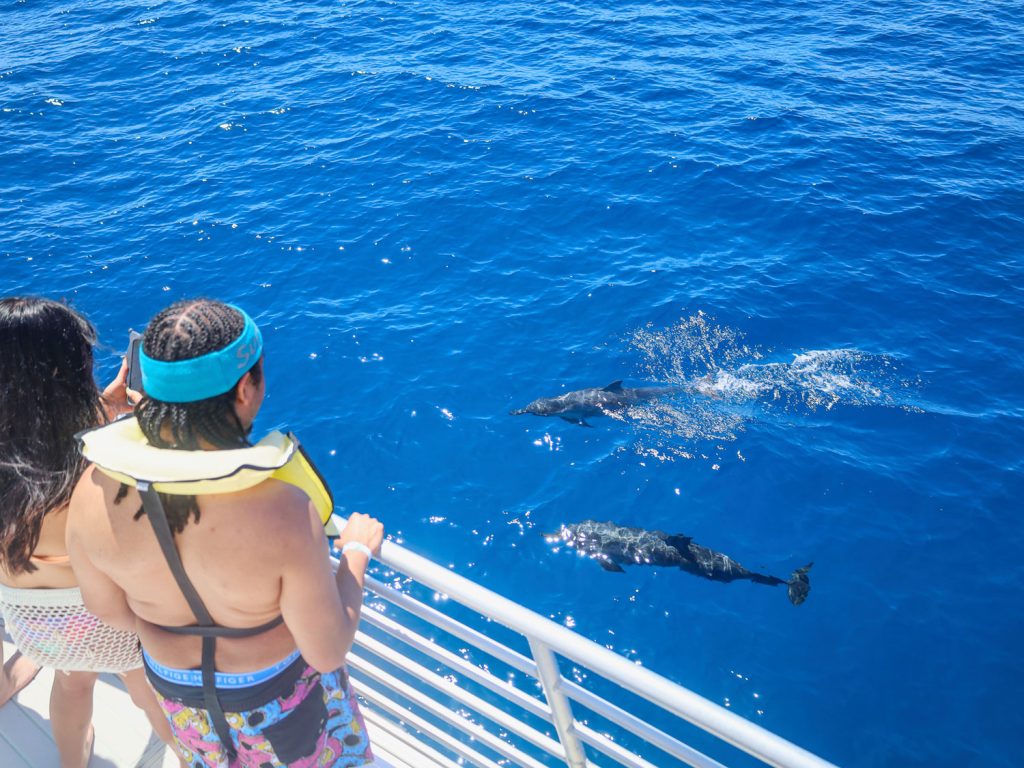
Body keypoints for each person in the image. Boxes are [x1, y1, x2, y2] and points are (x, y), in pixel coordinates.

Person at [67, 299, 382, 767]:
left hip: (176, 692)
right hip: (280, 700)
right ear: (244, 389)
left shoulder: (89, 493)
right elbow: (327, 648)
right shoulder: (283, 512)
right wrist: (355, 551)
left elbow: (108, 610)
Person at [0, 296, 181, 768]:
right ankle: (190, 758)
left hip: (34, 628)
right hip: (111, 626)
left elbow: (36, 451)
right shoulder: (105, 463)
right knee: (149, 693)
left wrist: (105, 413)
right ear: (68, 372)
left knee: (73, 683)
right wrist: (143, 428)